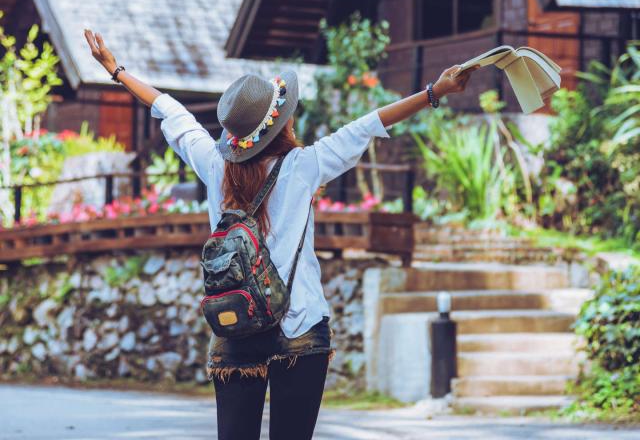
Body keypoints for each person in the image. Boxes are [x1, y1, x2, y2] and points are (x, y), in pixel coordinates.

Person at [84, 29, 474, 440]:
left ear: (234, 134)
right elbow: (367, 125)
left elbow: (171, 111)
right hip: (301, 325)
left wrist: (117, 70)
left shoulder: (214, 165)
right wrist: (436, 91)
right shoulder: (304, 165)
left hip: (236, 324)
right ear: (281, 123)